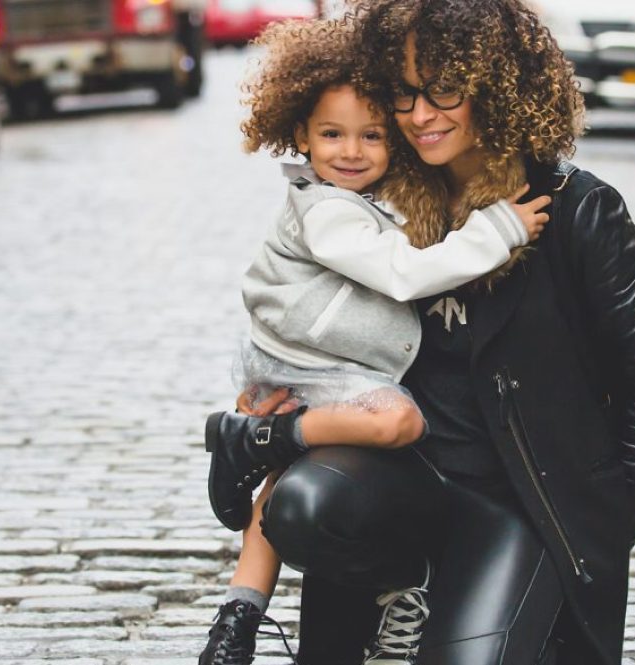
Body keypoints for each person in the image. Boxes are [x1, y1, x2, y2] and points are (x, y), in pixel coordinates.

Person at [249, 0, 635, 664]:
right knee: (302, 505)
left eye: (445, 89)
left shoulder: (576, 211)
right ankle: (402, 587)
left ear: (493, 81)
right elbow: (311, 319)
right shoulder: (383, 203)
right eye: (404, 94)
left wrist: (594, 526)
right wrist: (274, 403)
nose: (421, 114)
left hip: (521, 502)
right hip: (406, 479)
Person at [198, 17, 552, 665]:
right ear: (299, 133)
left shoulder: (367, 198)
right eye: (332, 134)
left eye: (372, 135)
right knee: (396, 421)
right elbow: (403, 271)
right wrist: (498, 227)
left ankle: (239, 610)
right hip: (319, 363)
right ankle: (390, 577)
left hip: (311, 360)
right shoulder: (328, 209)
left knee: (283, 479)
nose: (352, 150)